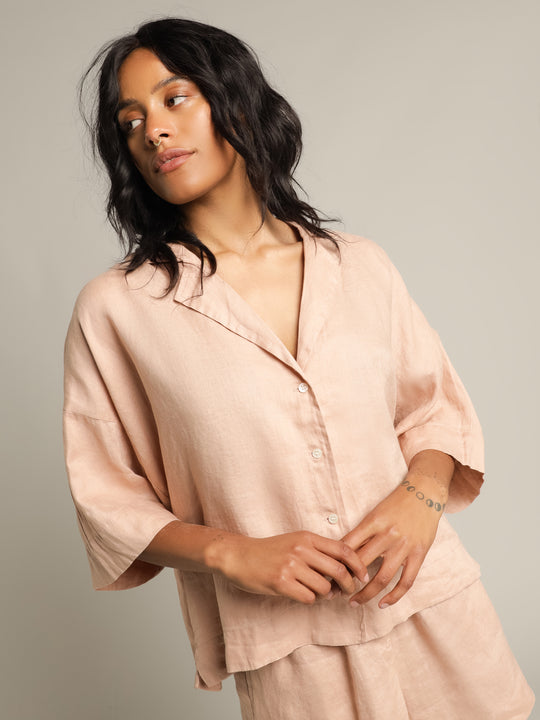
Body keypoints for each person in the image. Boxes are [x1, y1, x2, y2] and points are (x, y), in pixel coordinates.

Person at [64, 17, 534, 720]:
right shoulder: (120, 309)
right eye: (129, 121)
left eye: (174, 99)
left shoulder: (360, 266)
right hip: (291, 645)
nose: (152, 131)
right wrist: (233, 555)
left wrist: (422, 499)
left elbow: (432, 408)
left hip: (434, 607)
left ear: (236, 102)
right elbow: (107, 499)